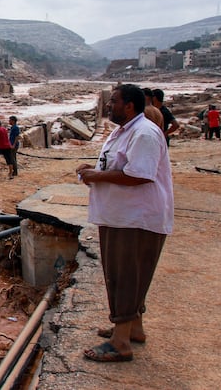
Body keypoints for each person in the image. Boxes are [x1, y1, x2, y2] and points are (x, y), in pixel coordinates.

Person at [76, 84, 173, 363]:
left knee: (126, 275)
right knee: (127, 274)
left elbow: (139, 175)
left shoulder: (144, 133)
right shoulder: (126, 131)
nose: (109, 106)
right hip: (121, 216)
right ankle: (133, 328)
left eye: (114, 102)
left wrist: (97, 176)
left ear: (129, 106)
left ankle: (120, 343)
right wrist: (93, 171)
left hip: (135, 218)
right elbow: (118, 166)